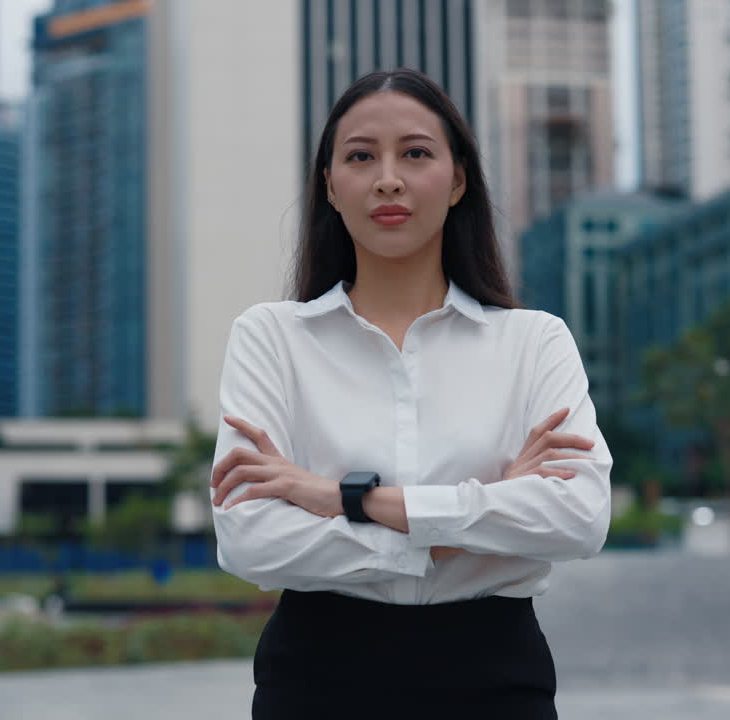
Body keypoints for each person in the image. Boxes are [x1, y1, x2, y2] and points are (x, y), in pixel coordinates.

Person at [209, 68, 612, 719]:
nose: (388, 179)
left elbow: (579, 517)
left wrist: (340, 499)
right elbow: (249, 539)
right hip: (316, 681)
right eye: (360, 157)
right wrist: (466, 522)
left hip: (495, 682)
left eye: (416, 153)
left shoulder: (534, 342)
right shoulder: (272, 338)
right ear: (330, 186)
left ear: (457, 181)